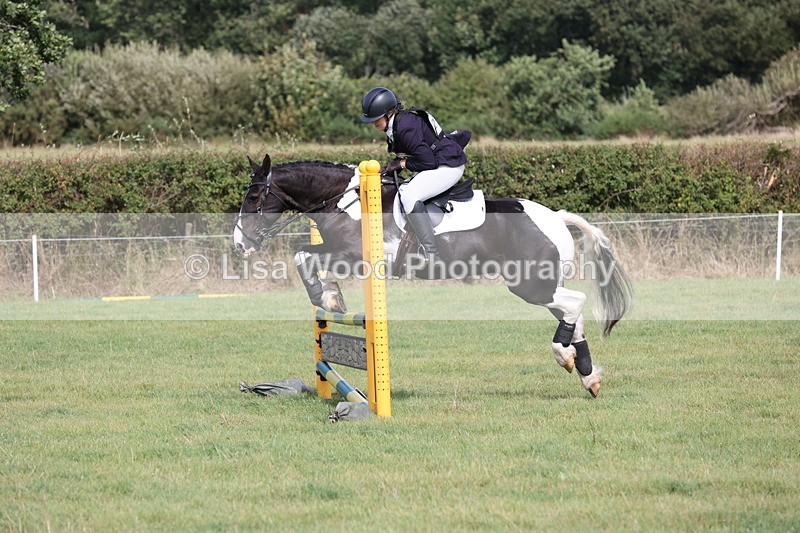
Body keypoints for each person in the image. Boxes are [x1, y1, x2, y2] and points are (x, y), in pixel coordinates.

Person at [360, 86, 467, 266]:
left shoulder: (405, 126)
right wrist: (391, 167)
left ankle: (432, 254)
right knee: (403, 188)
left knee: (409, 195)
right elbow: (411, 154)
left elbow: (427, 162)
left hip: (448, 165)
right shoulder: (398, 124)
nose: (374, 123)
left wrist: (401, 164)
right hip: (439, 162)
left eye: (376, 119)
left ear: (388, 113)